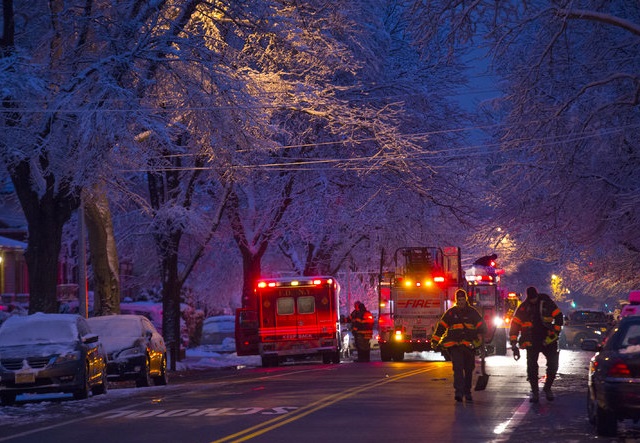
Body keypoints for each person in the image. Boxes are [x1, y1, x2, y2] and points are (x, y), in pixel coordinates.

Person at [509, 286, 564, 403]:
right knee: (532, 367)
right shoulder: (524, 308)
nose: (533, 301)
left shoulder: (547, 304)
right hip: (532, 341)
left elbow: (559, 317)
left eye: (534, 298)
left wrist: (555, 332)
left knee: (553, 365)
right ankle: (535, 392)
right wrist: (514, 343)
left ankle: (548, 388)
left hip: (548, 340)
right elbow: (515, 325)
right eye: (531, 299)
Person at [431, 289, 487, 402]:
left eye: (462, 299)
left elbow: (482, 326)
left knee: (468, 369)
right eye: (459, 300)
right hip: (455, 346)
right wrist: (435, 341)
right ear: (456, 300)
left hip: (469, 346)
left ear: (465, 299)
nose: (461, 302)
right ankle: (459, 392)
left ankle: (467, 392)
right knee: (457, 368)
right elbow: (441, 327)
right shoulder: (451, 313)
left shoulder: (473, 312)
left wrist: (480, 337)